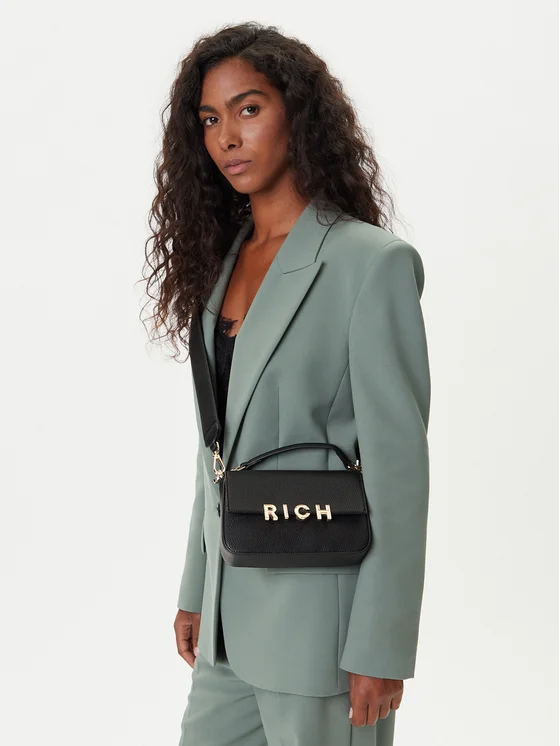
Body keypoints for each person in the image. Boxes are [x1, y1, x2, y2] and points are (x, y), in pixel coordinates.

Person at [142, 20, 431, 746]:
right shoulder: (222, 264)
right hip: (227, 629)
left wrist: (382, 644)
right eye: (210, 118)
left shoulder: (370, 265)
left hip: (322, 636)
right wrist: (196, 587)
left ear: (297, 113)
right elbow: (217, 450)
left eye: (248, 108)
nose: (227, 137)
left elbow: (399, 470)